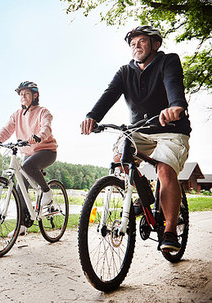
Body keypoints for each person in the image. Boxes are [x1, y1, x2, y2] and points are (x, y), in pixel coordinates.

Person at [80, 25, 191, 252]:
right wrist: (92, 117)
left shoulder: (167, 61)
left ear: (155, 44)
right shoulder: (125, 72)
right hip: (139, 130)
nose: (136, 46)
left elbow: (173, 84)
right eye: (132, 44)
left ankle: (170, 230)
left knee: (165, 169)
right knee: (120, 157)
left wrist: (176, 106)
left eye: (141, 41)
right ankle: (143, 196)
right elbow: (109, 94)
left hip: (170, 128)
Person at [0, 81, 58, 235]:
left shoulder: (43, 112)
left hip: (46, 150)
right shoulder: (17, 115)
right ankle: (23, 225)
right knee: (20, 189)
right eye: (21, 94)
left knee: (27, 167)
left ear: (35, 95)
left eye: (26, 94)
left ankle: (47, 192)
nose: (23, 97)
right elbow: (7, 130)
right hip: (28, 153)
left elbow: (46, 126)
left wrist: (39, 136)